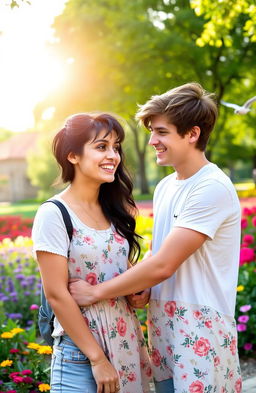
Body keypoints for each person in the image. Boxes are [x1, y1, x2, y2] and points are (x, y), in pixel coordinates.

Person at [68, 83, 242, 393]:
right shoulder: (166, 187)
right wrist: (144, 285)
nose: (152, 141)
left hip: (201, 328)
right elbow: (159, 253)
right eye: (152, 131)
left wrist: (96, 292)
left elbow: (164, 265)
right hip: (164, 326)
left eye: (161, 132)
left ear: (192, 134)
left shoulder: (211, 187)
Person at [32, 113, 152, 393]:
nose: (113, 155)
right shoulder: (54, 214)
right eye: (101, 147)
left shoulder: (114, 210)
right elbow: (57, 294)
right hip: (82, 355)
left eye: (116, 147)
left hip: (126, 343)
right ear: (73, 155)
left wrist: (139, 291)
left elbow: (121, 269)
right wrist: (97, 359)